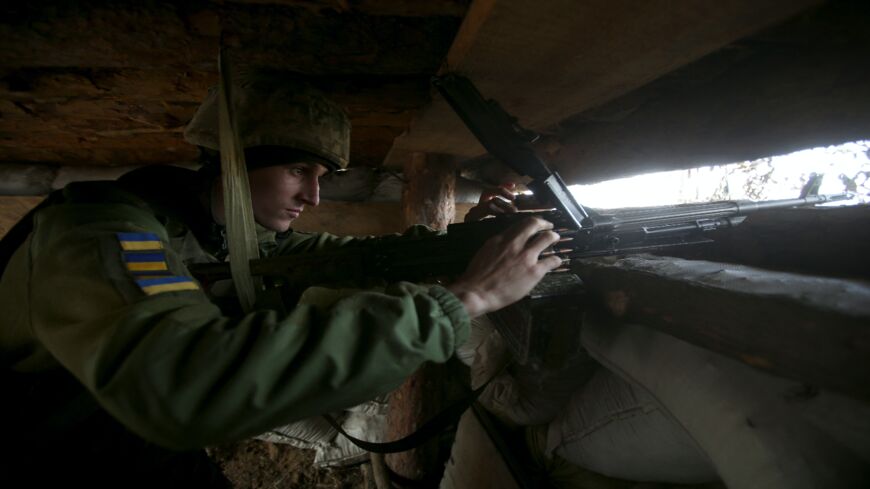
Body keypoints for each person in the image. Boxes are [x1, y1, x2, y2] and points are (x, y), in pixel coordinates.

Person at [0, 73, 562, 486]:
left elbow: (350, 259)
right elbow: (185, 385)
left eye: (320, 177)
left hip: (114, 420)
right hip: (41, 434)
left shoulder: (230, 233)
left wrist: (469, 244)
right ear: (234, 161)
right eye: (297, 170)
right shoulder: (100, 230)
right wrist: (468, 299)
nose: (313, 197)